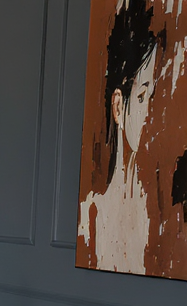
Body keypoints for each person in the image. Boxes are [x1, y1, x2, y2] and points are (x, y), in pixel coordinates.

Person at [79, 0, 160, 275]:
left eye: (154, 96)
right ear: (118, 107)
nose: (151, 113)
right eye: (143, 96)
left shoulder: (154, 223)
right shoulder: (89, 220)